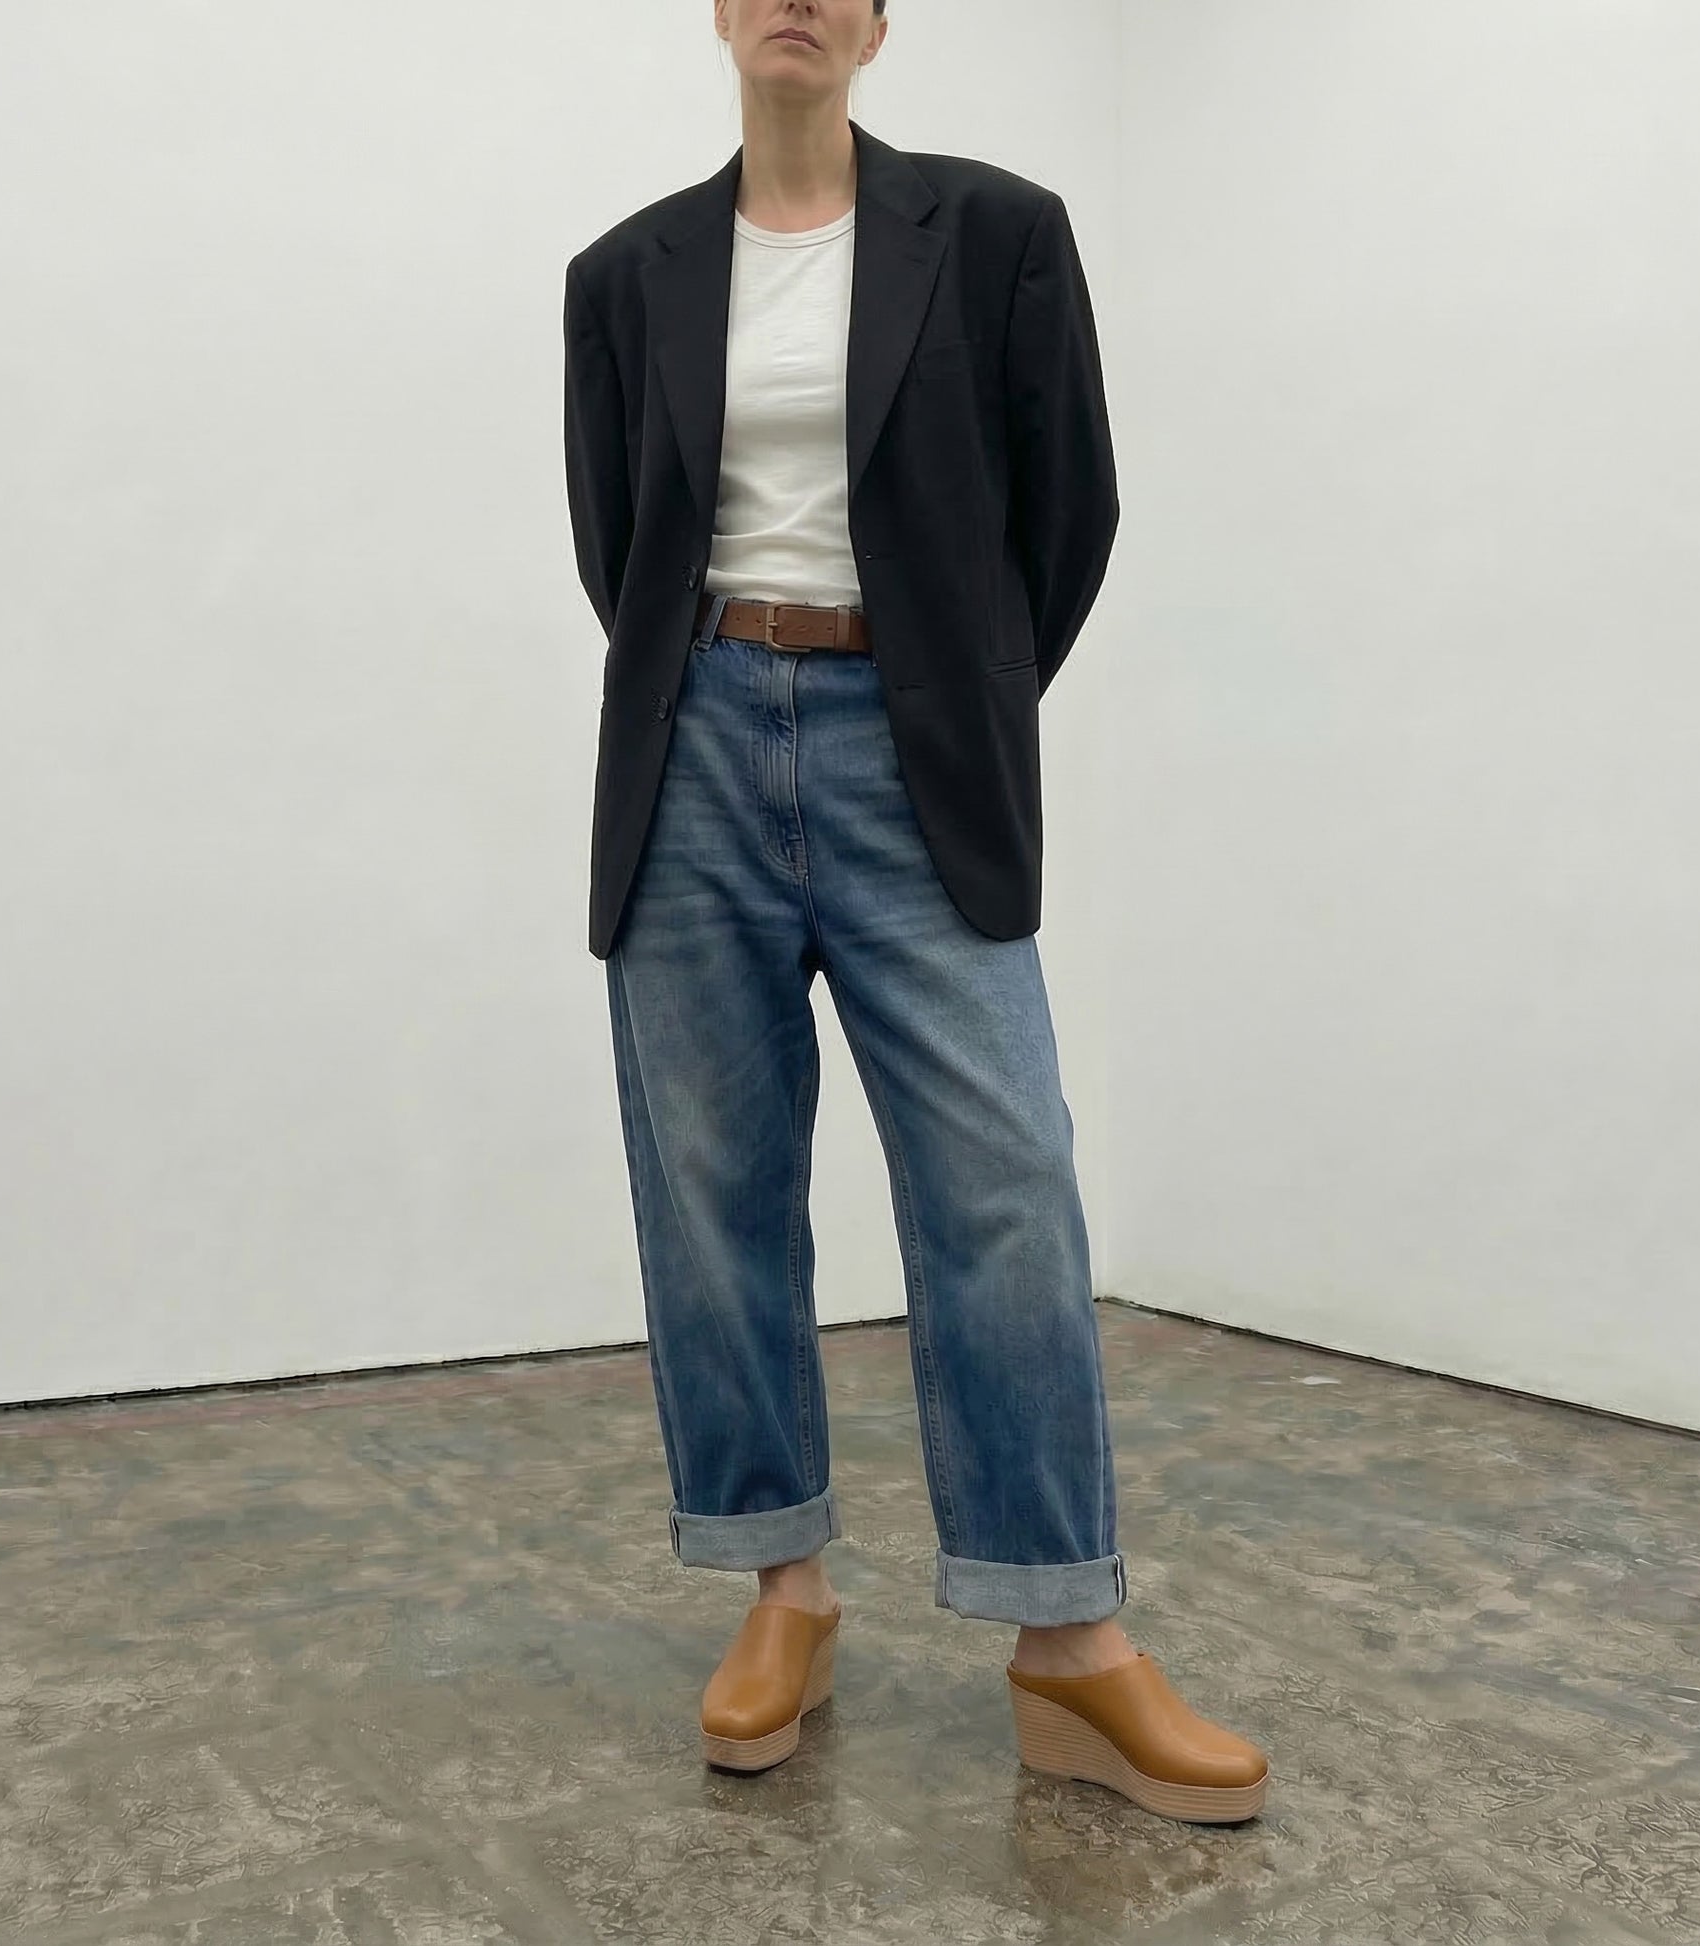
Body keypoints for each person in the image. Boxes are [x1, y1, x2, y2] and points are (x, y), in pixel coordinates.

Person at [561, 0, 1268, 1823]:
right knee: (714, 1193)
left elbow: (1068, 512)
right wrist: (726, 687)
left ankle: (1067, 1638)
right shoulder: (625, 273)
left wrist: (948, 691)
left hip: (911, 744)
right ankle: (782, 1586)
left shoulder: (998, 231)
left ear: (878, 24)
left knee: (1002, 1181)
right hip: (693, 749)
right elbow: (614, 543)